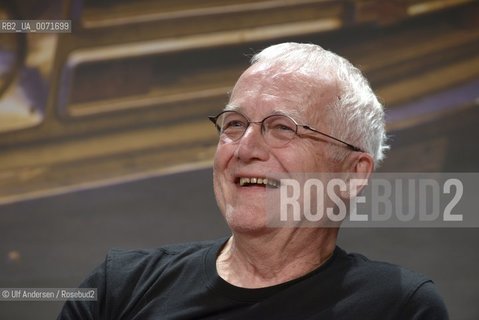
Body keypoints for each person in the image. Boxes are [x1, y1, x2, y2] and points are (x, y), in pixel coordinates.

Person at [58, 42, 448, 319]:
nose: (245, 148)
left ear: (352, 173)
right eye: (235, 124)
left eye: (281, 128)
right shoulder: (119, 288)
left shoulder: (398, 306)